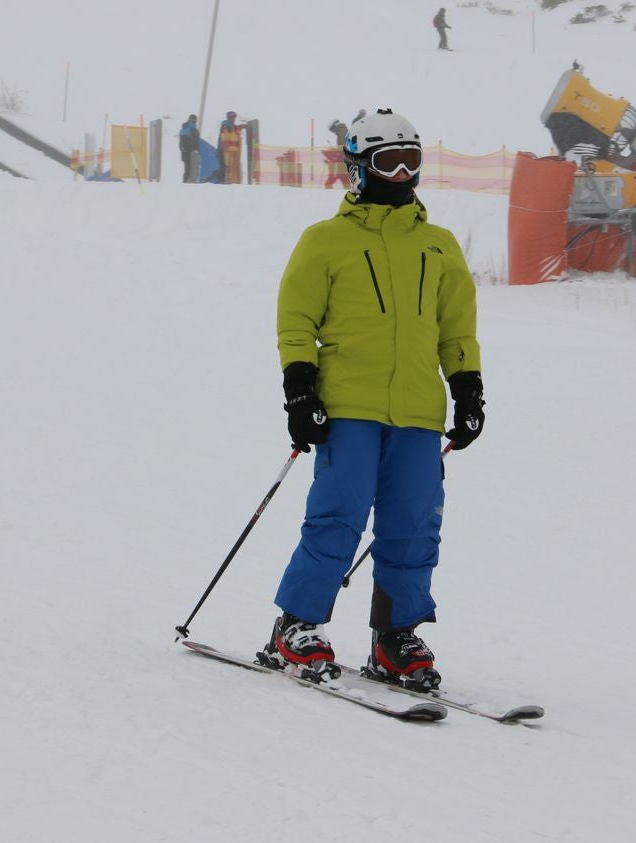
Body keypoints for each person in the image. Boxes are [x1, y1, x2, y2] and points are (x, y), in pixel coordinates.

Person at [261, 108, 485, 691]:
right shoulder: (326, 241)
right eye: (390, 161)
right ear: (359, 167)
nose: (403, 173)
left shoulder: (439, 247)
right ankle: (298, 624)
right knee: (338, 516)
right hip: (348, 407)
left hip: (417, 411)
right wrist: (300, 391)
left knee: (414, 526)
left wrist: (467, 388)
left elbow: (456, 329)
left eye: (412, 160)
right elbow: (296, 321)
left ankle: (394, 637)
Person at [217, 110, 245, 184]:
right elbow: (226, 136)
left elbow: (235, 129)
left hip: (228, 150)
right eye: (231, 117)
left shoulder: (231, 126)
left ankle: (226, 181)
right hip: (224, 150)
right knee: (226, 166)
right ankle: (223, 182)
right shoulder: (225, 125)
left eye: (234, 117)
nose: (233, 119)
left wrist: (242, 126)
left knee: (227, 166)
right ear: (228, 117)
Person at [179, 114, 199, 183]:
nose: (194, 123)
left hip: (193, 152)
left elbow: (197, 142)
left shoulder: (195, 130)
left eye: (195, 121)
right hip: (187, 152)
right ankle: (186, 182)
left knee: (193, 168)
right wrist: (183, 148)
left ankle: (191, 181)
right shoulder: (186, 128)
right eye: (193, 121)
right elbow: (182, 141)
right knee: (188, 169)